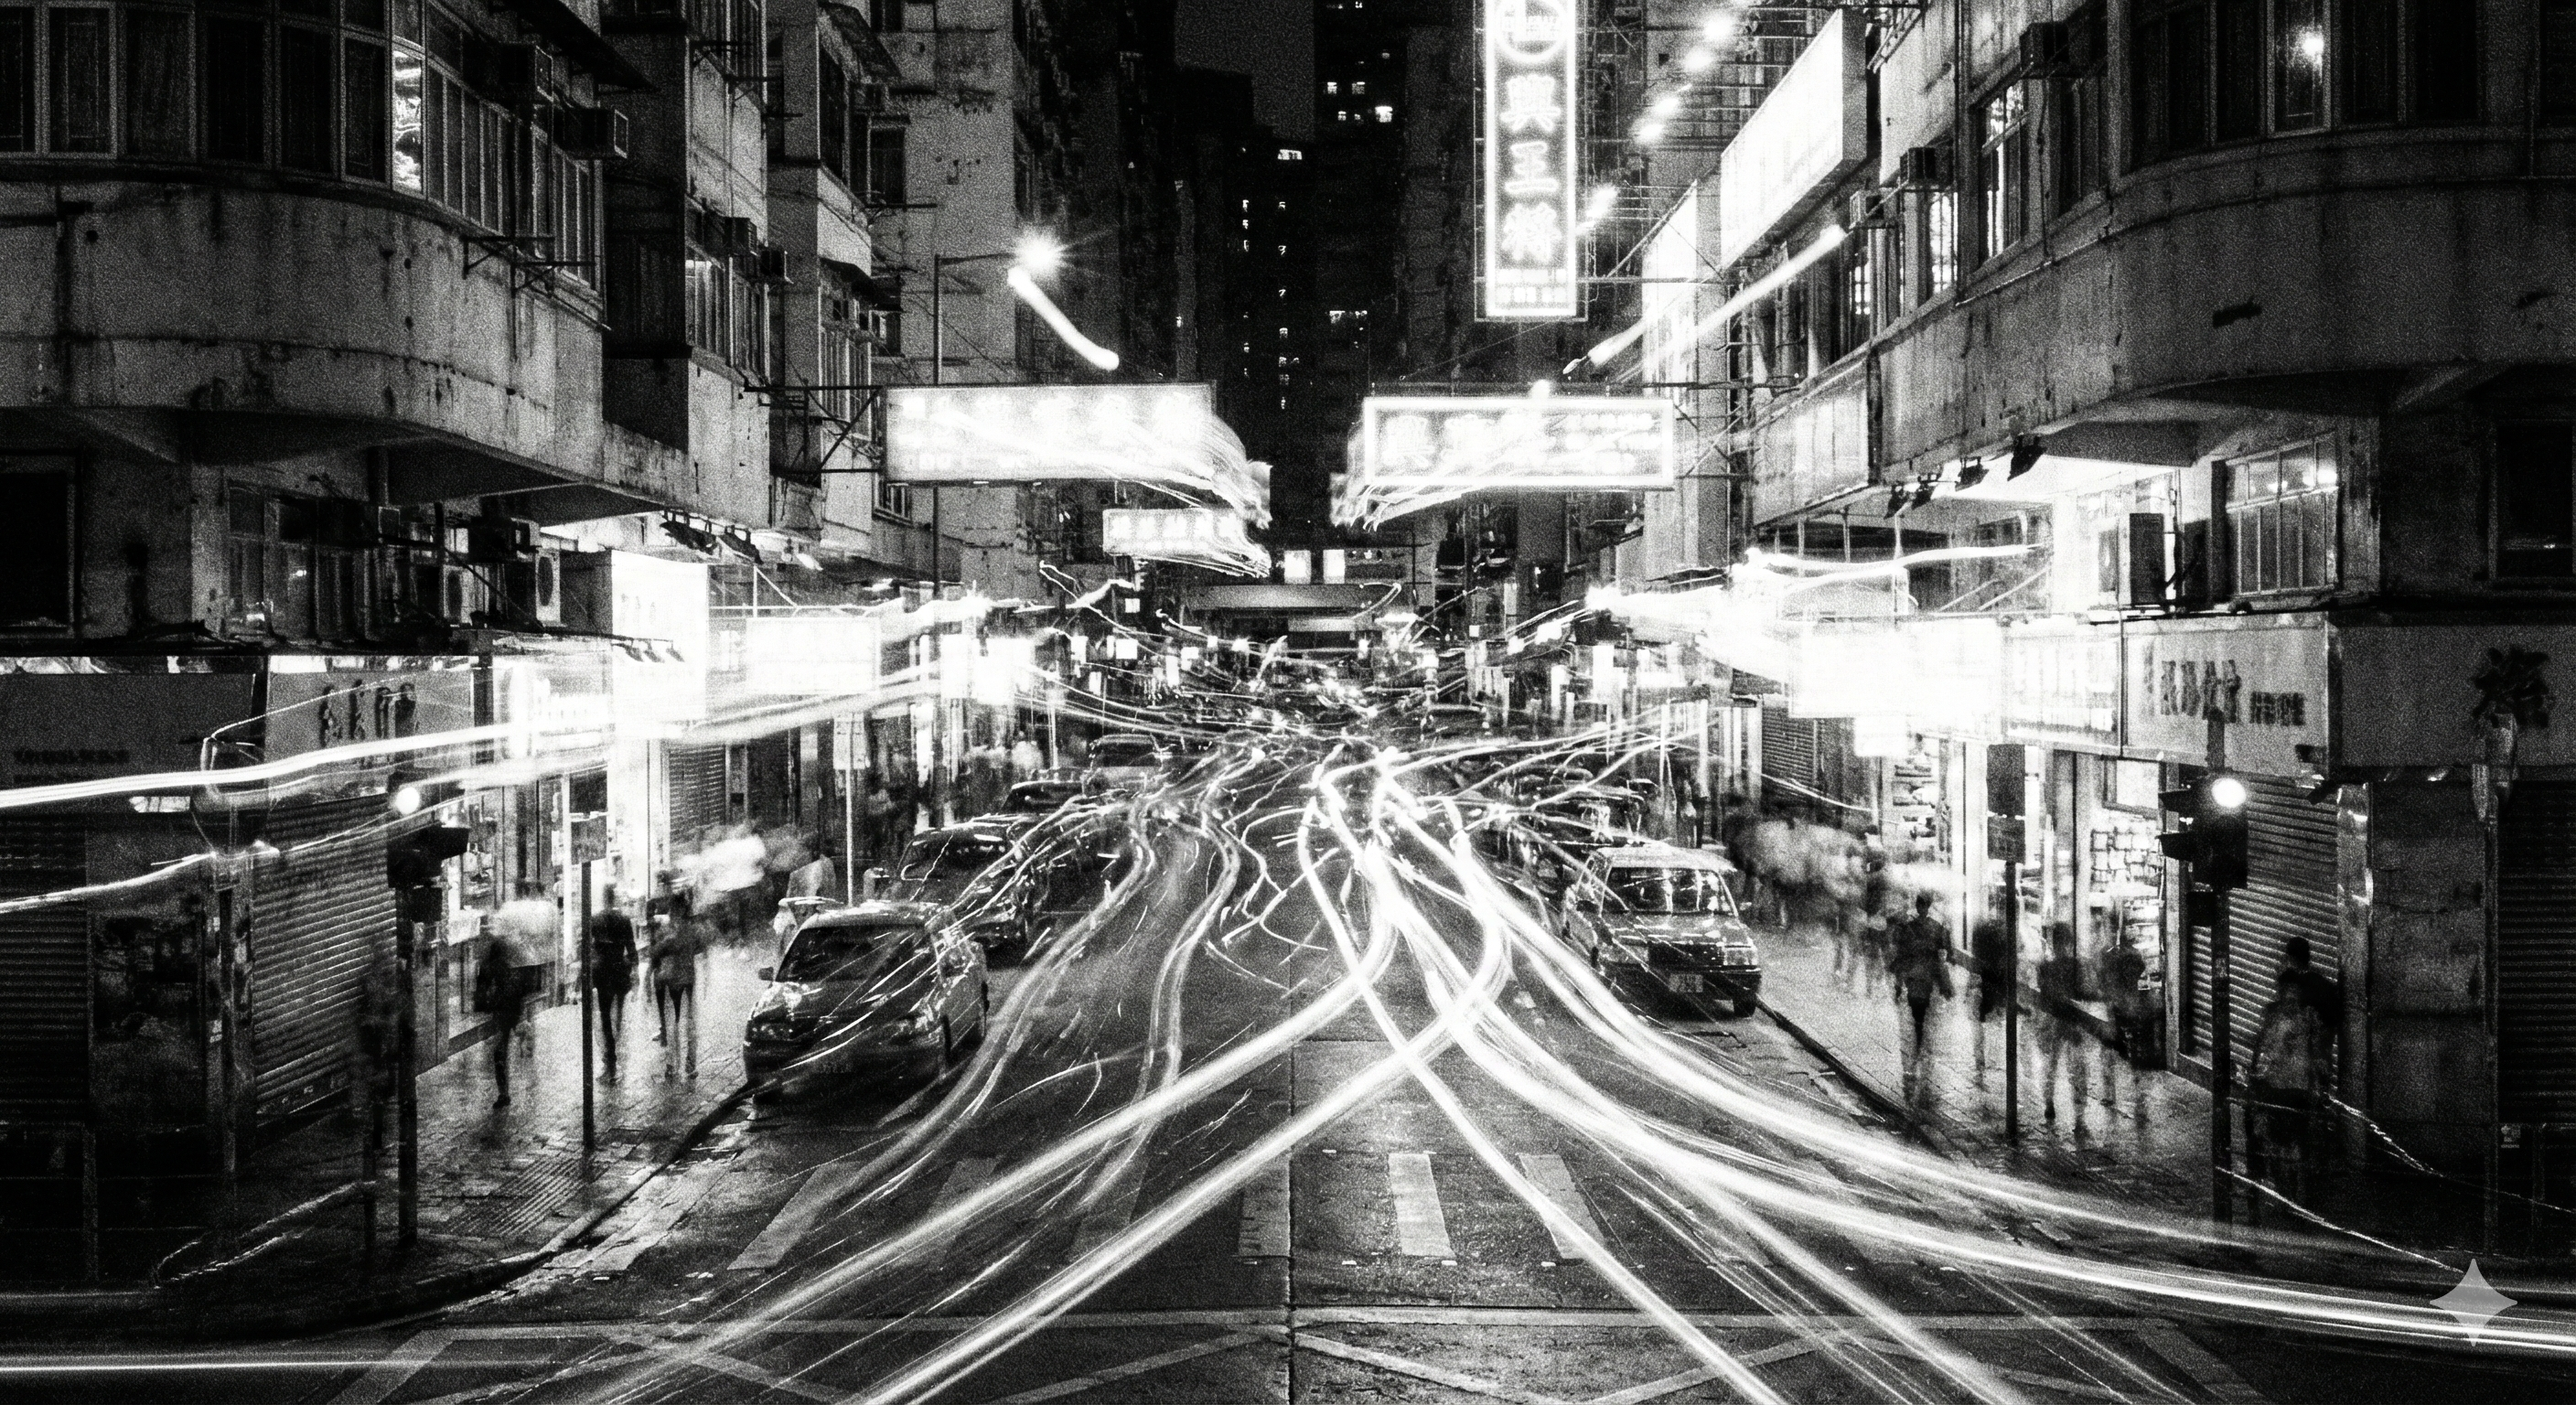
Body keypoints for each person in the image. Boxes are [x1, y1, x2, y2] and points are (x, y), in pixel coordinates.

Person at [2248, 974, 2328, 1202]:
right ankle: (2285, 1189)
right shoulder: (2272, 1016)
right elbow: (2261, 1050)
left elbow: (2319, 1053)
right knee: (2277, 1140)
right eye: (2287, 992)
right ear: (2281, 993)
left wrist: (2318, 1082)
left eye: (2295, 992)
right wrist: (2256, 1081)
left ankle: (2296, 1193)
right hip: (2277, 1088)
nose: (2291, 997)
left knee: (2296, 1142)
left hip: (2298, 1090)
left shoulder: (2310, 1018)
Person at [474, 915, 541, 1107]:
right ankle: (525, 1033)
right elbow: (525, 984)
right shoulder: (512, 962)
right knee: (501, 1048)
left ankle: (504, 1093)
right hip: (513, 1008)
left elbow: (482, 989)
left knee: (499, 1052)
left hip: (502, 1011)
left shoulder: (490, 965)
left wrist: (483, 1005)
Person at [2034, 923, 2089, 1131]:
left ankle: (2049, 1103)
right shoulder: (2075, 965)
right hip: (2070, 1023)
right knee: (2077, 1070)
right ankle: (2079, 1116)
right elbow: (2082, 992)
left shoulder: (2045, 967)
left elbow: (2043, 997)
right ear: (2068, 942)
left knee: (2051, 1067)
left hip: (2053, 1021)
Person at [1887, 893, 1954, 1057]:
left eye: (1922, 905)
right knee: (1919, 1009)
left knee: (1920, 1009)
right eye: (1920, 905)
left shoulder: (1924, 927)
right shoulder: (1922, 927)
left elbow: (1943, 948)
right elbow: (1903, 952)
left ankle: (1920, 1038)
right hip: (1919, 976)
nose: (1921, 908)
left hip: (1921, 976)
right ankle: (1920, 1038)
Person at [588, 887, 639, 1082]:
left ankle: (610, 1059)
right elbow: (632, 948)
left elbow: (591, 947)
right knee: (617, 1015)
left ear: (603, 897)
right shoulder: (624, 919)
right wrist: (635, 973)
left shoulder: (596, 919)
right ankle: (614, 1053)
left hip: (603, 974)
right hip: (620, 972)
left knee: (605, 1017)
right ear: (614, 897)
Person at [2099, 930, 2152, 1115]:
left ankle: (2110, 1094)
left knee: (2108, 1053)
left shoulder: (2112, 956)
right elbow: (2140, 970)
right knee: (2134, 1053)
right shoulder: (2135, 956)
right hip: (2133, 1007)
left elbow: (2106, 982)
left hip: (2117, 1009)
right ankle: (2140, 1096)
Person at [649, 906, 702, 1078]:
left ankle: (673, 1065)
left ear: (677, 915)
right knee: (689, 1023)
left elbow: (655, 952)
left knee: (675, 1024)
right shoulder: (693, 931)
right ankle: (690, 1065)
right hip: (689, 982)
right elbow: (701, 951)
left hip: (676, 984)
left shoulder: (672, 935)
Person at [1969, 911, 2012, 1077]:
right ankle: (1988, 1063)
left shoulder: (1984, 962)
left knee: (1981, 1030)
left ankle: (1982, 1063)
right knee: (1991, 1029)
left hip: (1986, 996)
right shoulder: (1998, 962)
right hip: (1990, 997)